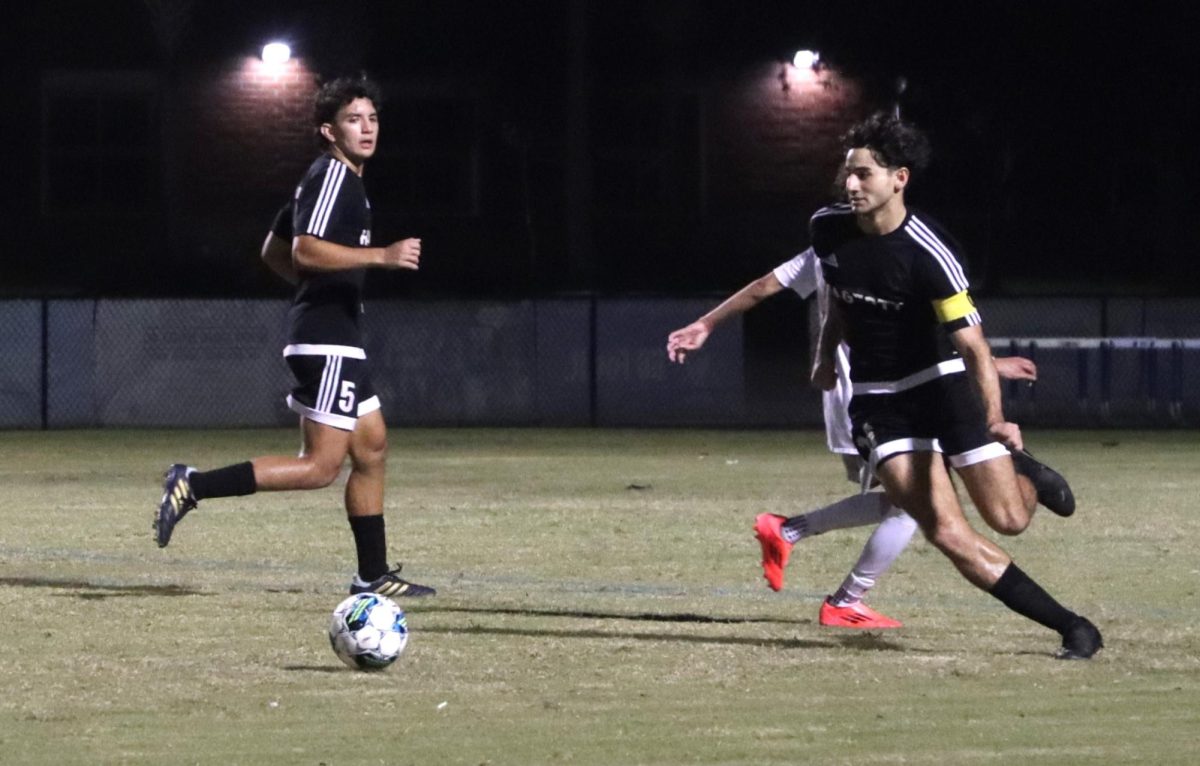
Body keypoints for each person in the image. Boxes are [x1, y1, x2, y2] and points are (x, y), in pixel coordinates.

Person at [748, 112, 1101, 658]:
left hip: (940, 385)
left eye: (864, 174)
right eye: (848, 173)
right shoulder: (827, 227)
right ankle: (1074, 627)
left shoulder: (930, 253)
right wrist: (822, 357)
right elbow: (839, 299)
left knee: (1009, 519)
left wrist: (996, 420)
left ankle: (1022, 464)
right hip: (879, 402)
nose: (850, 184)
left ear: (899, 179)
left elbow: (972, 347)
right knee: (945, 531)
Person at [154, 75, 435, 599]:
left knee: (371, 448)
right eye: (354, 119)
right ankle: (193, 483)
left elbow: (273, 251)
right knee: (318, 468)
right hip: (327, 342)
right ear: (328, 131)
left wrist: (318, 290)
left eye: (372, 117)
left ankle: (372, 576)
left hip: (338, 336)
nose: (367, 127)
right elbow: (305, 251)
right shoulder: (331, 176)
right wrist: (380, 256)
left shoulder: (336, 177)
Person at [667, 253, 1051, 629]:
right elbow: (767, 289)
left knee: (910, 501)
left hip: (876, 395)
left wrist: (706, 324)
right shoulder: (855, 248)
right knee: (915, 505)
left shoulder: (842, 247)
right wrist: (705, 325)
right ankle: (839, 594)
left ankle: (791, 536)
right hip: (872, 399)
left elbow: (763, 287)